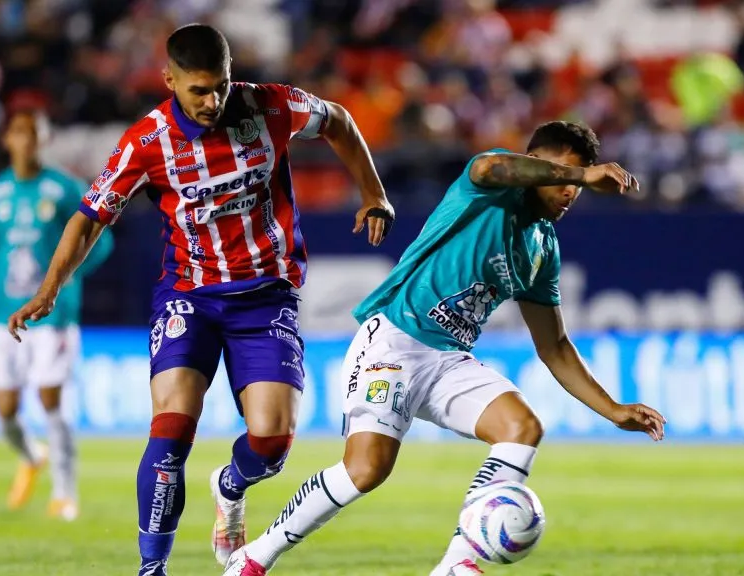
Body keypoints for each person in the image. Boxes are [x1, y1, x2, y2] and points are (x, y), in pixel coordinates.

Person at [5, 24, 394, 576]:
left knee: (271, 445)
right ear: (169, 80)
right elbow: (90, 218)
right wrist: (49, 290)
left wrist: (374, 192)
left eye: (222, 86)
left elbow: (338, 120)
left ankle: (230, 485)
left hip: (266, 297)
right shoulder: (147, 141)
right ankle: (151, 569)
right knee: (169, 435)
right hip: (188, 297)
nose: (213, 101)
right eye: (199, 90)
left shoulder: (270, 106)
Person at [223, 121, 667, 576]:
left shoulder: (542, 247)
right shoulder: (490, 188)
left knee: (521, 427)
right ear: (538, 164)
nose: (572, 192)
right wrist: (583, 175)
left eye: (580, 180)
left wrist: (613, 410)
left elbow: (554, 346)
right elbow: (491, 166)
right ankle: (254, 557)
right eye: (566, 176)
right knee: (366, 470)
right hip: (394, 341)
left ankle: (457, 564)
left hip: (449, 359)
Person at [0, 109, 113, 521]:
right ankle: (32, 456)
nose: (26, 141)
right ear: (7, 139)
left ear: (45, 139)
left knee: (50, 397)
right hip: (3, 313)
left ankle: (64, 492)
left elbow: (99, 242)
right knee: (5, 411)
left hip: (52, 314)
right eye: (19, 132)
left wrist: (67, 280)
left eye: (33, 133)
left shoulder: (64, 188)